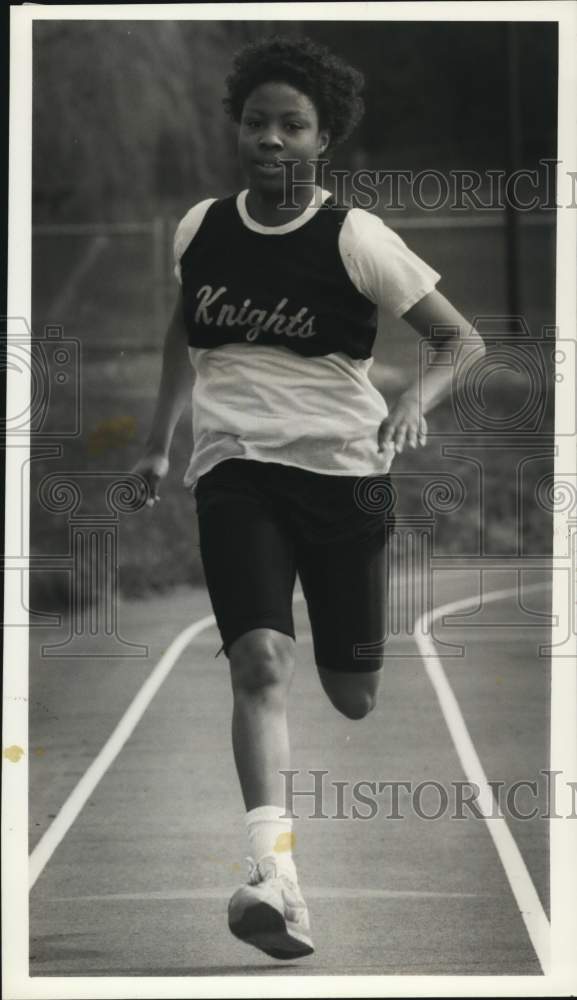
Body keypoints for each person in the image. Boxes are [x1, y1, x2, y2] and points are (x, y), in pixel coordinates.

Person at [132, 35, 485, 961]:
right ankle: (274, 874)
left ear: (324, 138)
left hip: (345, 478)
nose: (272, 140)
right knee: (257, 662)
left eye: (293, 125)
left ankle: (339, 672)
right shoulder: (199, 227)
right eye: (257, 122)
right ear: (237, 129)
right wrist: (159, 442)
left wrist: (415, 402)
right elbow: (183, 326)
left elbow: (460, 342)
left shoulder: (355, 237)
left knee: (353, 692)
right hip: (235, 471)